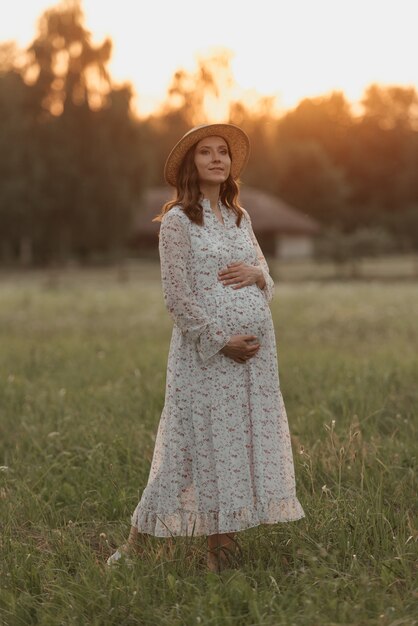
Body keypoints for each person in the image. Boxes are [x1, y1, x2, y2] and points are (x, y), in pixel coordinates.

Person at [107, 123, 305, 572]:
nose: (217, 159)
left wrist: (258, 278)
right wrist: (221, 341)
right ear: (190, 165)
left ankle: (222, 555)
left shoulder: (241, 217)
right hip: (207, 355)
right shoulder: (177, 221)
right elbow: (176, 297)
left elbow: (265, 274)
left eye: (223, 153)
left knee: (234, 446)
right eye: (206, 153)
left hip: (255, 359)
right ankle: (136, 544)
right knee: (189, 446)